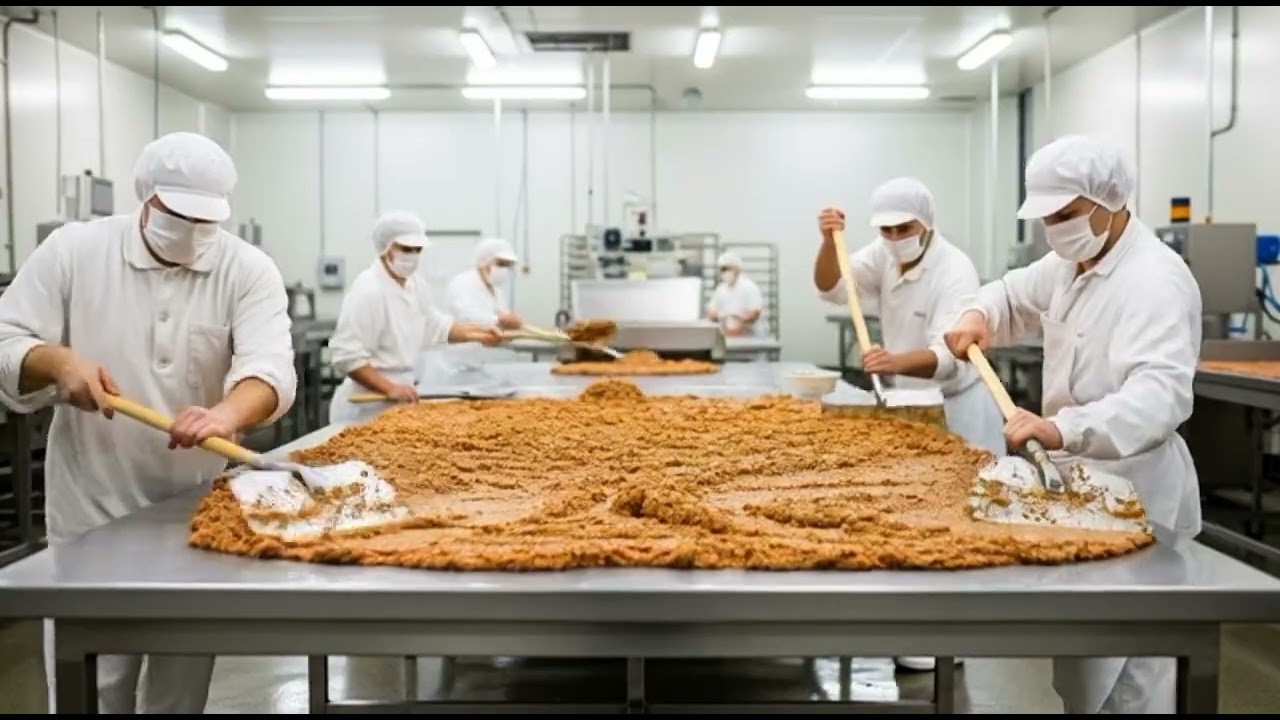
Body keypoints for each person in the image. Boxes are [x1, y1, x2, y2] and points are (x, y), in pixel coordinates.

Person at [0, 131, 297, 713]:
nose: (189, 231)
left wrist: (227, 412)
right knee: (98, 684)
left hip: (197, 512)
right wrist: (60, 361)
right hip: (92, 507)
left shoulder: (247, 269)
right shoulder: (74, 251)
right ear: (145, 197)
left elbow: (270, 368)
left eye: (203, 220)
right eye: (175, 215)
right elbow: (7, 339)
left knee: (179, 689)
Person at [943, 134, 1202, 714]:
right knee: (1086, 669)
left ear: (1110, 200)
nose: (1055, 230)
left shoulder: (1154, 281)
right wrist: (978, 314)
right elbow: (1012, 294)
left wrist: (1063, 429)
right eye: (1047, 219)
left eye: (1066, 214)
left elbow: (1160, 397)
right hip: (1078, 492)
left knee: (1128, 677)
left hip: (1136, 496)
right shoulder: (1071, 263)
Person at [814, 176, 1006, 458]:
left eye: (904, 228)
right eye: (886, 230)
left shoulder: (954, 270)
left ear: (926, 223)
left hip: (955, 407)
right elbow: (831, 287)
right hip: (907, 402)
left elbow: (949, 356)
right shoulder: (883, 253)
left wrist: (893, 362)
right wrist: (830, 243)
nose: (894, 238)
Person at [327, 210, 504, 425]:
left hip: (400, 400)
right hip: (365, 407)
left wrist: (481, 334)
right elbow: (347, 355)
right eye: (405, 249)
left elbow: (436, 326)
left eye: (417, 250)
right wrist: (389, 387)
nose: (411, 256)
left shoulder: (415, 285)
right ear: (385, 247)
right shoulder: (369, 289)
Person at [444, 237, 523, 331]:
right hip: (465, 344)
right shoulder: (462, 282)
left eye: (508, 265)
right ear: (484, 261)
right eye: (501, 264)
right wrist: (499, 320)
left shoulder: (495, 289)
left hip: (489, 343)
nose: (504, 269)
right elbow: (465, 316)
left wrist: (511, 320)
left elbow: (502, 315)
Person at [708, 252, 767, 337]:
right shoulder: (721, 289)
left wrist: (737, 321)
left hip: (750, 336)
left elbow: (754, 314)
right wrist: (723, 318)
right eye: (722, 269)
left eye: (727, 269)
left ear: (737, 269)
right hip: (729, 336)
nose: (724, 272)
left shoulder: (749, 287)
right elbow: (711, 311)